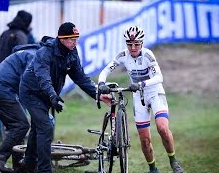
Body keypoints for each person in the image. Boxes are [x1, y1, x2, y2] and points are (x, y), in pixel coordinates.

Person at [18, 22, 111, 173]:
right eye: (72, 39)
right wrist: (53, 95)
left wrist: (98, 95)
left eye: (77, 39)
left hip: (47, 94)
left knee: (38, 127)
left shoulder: (72, 52)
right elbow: (43, 78)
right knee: (46, 127)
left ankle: (28, 164)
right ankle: (44, 170)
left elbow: (80, 78)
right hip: (31, 93)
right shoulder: (45, 53)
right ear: (62, 39)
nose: (75, 42)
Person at [98, 26, 184, 173]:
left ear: (142, 43)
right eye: (129, 44)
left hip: (155, 92)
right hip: (138, 96)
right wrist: (101, 83)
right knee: (144, 138)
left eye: (136, 44)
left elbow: (159, 77)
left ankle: (173, 160)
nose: (133, 47)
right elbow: (106, 70)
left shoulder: (148, 55)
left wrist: (141, 84)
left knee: (162, 128)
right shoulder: (122, 56)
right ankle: (153, 168)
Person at [0, 43, 41, 172]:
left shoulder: (28, 52)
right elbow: (26, 81)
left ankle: (19, 165)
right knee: (20, 125)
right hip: (2, 90)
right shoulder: (34, 56)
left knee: (16, 126)